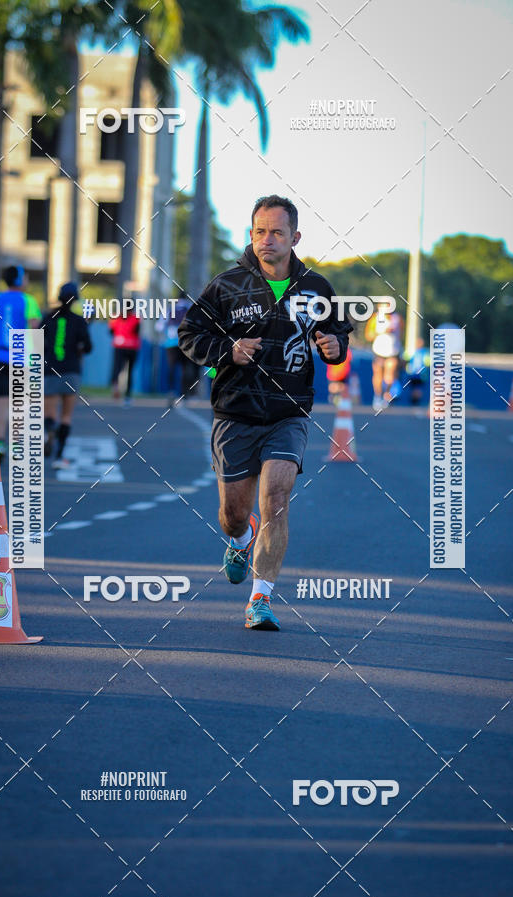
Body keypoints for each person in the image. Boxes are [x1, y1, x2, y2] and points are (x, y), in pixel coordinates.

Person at [178, 195, 352, 631]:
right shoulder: (227, 285)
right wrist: (227, 351)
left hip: (288, 413)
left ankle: (260, 600)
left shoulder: (317, 288)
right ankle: (240, 539)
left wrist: (335, 347)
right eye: (259, 231)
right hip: (234, 412)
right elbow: (189, 333)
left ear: (295, 237)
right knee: (233, 512)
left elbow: (335, 334)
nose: (266, 240)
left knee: (276, 499)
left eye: (276, 232)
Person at [0, 265, 41, 459]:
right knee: (18, 404)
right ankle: (15, 447)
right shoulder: (28, 300)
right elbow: (35, 326)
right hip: (20, 359)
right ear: (21, 280)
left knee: (1, 403)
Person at [41, 282, 92, 468]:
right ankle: (59, 456)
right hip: (72, 371)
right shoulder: (79, 321)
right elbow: (88, 347)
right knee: (67, 416)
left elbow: (36, 340)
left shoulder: (48, 317)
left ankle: (49, 431)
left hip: (50, 369)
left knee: (49, 412)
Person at [156, 292, 199, 406]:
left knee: (172, 368)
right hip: (187, 343)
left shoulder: (170, 309)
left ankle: (170, 392)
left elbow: (159, 326)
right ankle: (184, 395)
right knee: (186, 368)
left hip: (171, 343)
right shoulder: (191, 308)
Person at [365, 301, 403, 410]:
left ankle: (386, 394)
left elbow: (401, 333)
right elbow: (369, 335)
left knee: (390, 372)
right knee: (378, 373)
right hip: (379, 351)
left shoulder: (397, 318)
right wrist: (381, 332)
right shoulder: (375, 318)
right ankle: (377, 396)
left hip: (393, 351)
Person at [109, 307, 141, 406]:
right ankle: (127, 396)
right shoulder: (136, 318)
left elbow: (111, 332)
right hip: (132, 346)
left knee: (117, 368)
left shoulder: (115, 317)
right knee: (130, 371)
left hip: (119, 345)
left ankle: (115, 385)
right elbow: (137, 331)